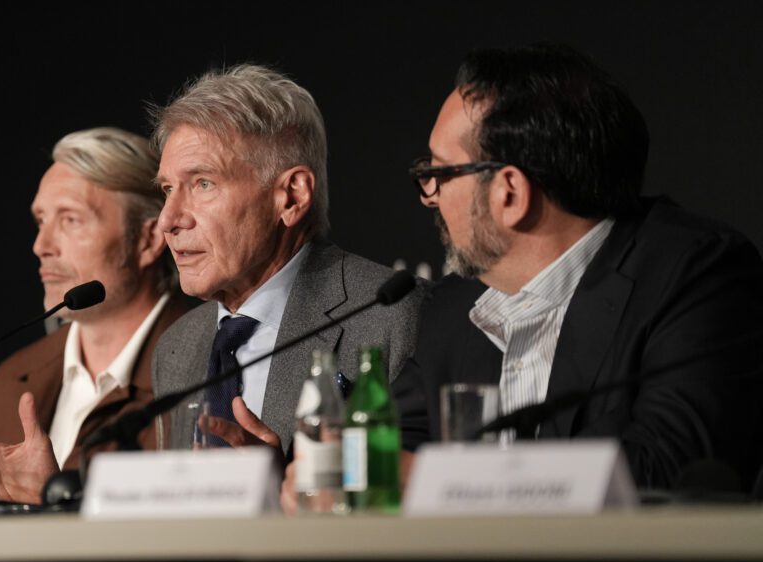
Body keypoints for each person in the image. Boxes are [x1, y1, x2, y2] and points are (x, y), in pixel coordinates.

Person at [388, 43, 763, 494]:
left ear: (509, 193)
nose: (430, 195)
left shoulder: (698, 277)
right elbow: (391, 447)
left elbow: (667, 472)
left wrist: (450, 482)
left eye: (441, 174)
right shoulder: (454, 306)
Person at [151, 64, 423, 453]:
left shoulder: (390, 319)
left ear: (291, 196)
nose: (168, 219)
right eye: (167, 189)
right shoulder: (177, 348)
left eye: (203, 183)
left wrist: (278, 491)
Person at [0, 128, 189, 503]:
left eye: (70, 220)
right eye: (41, 220)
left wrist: (52, 501)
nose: (40, 246)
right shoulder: (12, 380)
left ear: (147, 239)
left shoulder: (207, 367)